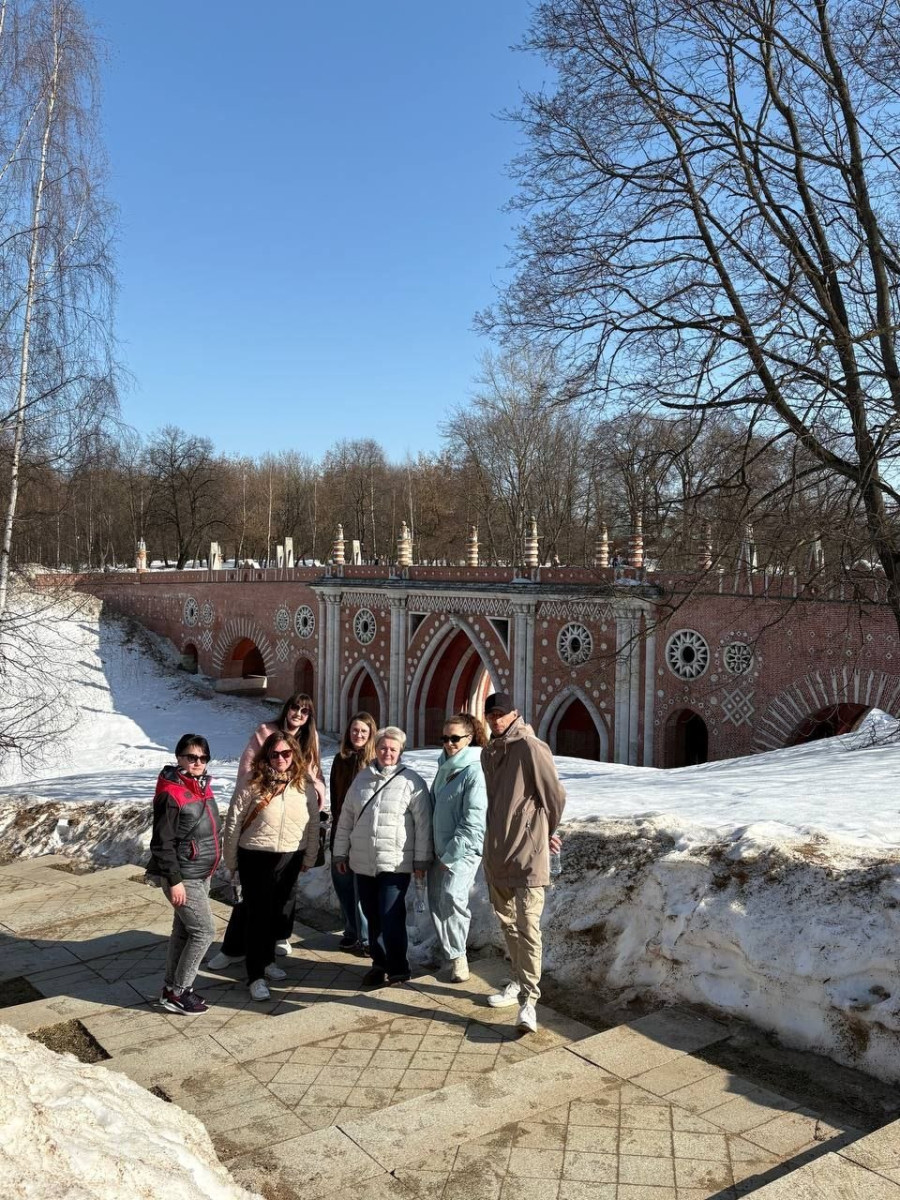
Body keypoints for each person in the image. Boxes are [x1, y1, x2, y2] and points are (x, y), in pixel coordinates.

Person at [209, 693, 325, 969]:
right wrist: (258, 792)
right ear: (286, 708)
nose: (298, 714)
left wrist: (314, 795)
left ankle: (278, 938)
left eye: (305, 711)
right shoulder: (266, 732)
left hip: (292, 829)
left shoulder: (310, 739)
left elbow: (315, 775)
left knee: (284, 894)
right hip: (262, 825)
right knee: (251, 899)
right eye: (295, 708)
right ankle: (233, 948)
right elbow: (247, 768)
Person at [481, 692, 566, 1034]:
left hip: (528, 854)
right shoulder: (489, 752)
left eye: (501, 714)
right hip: (497, 853)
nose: (496, 719)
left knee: (529, 926)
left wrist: (545, 832)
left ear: (515, 713)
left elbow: (554, 796)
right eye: (491, 715)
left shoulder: (530, 747)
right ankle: (517, 979)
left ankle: (529, 1002)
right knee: (508, 925)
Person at [221, 731, 320, 1001]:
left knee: (277, 913)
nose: (280, 759)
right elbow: (233, 821)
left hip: (290, 856)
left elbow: (313, 822)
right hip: (256, 856)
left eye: (286, 753)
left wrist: (309, 857)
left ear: (294, 755)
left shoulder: (303, 784)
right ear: (266, 755)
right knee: (258, 916)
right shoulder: (252, 781)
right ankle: (255, 976)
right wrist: (231, 861)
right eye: (274, 754)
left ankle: (267, 961)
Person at [332, 726, 432, 987]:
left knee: (391, 915)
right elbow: (346, 819)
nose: (387, 753)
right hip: (363, 862)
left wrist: (421, 861)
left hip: (395, 862)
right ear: (375, 749)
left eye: (393, 749)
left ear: (401, 752)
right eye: (383, 748)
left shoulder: (411, 781)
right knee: (372, 914)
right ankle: (379, 964)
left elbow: (423, 825)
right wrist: (340, 853)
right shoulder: (361, 779)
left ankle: (398, 968)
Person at [146, 734, 222, 1015]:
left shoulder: (202, 787)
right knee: (204, 932)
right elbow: (162, 843)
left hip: (202, 873)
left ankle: (171, 988)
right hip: (184, 876)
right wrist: (174, 881)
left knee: (183, 931)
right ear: (179, 758)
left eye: (203, 757)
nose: (198, 762)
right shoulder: (171, 793)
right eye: (191, 757)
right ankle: (180, 992)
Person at [427, 713, 488, 983]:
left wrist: (450, 855)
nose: (449, 744)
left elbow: (474, 820)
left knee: (453, 896)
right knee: (437, 900)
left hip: (463, 849)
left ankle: (459, 956)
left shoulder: (474, 770)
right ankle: (450, 951)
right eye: (445, 738)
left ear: (469, 738)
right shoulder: (444, 766)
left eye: (455, 738)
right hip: (439, 848)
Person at [329, 711, 377, 952]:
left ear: (371, 734)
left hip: (364, 834)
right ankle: (351, 929)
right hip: (340, 830)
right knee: (343, 883)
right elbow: (334, 797)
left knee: (363, 889)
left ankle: (366, 937)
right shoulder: (340, 759)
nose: (358, 734)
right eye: (355, 730)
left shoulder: (375, 763)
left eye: (363, 731)